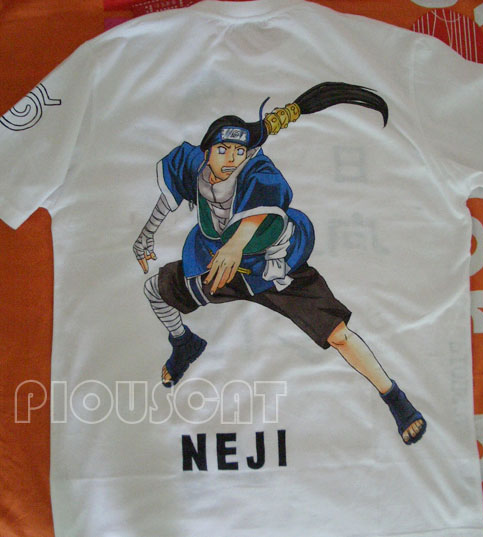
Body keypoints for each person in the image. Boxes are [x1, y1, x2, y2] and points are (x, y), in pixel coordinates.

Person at [133, 82, 426, 445]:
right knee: (155, 289)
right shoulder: (192, 165)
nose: (230, 158)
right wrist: (146, 235)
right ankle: (184, 343)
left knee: (339, 335)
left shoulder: (258, 170)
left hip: (275, 267)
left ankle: (396, 399)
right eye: (222, 150)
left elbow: (263, 208)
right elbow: (168, 199)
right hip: (221, 266)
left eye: (238, 151)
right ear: (206, 152)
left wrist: (236, 244)